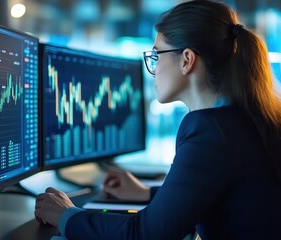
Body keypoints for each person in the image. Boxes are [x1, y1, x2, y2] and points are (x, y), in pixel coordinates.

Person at [35, 0, 281, 239]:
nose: (152, 66)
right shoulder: (248, 117)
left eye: (156, 55)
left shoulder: (211, 130)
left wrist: (67, 216)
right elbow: (218, 191)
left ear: (186, 60)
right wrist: (146, 193)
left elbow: (145, 233)